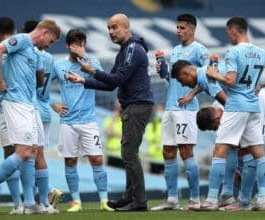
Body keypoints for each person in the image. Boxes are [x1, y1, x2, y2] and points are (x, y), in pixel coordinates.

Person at [68, 13, 154, 211]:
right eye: (108, 28)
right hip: (133, 105)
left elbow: (118, 79)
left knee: (129, 153)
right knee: (128, 153)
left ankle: (139, 201)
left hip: (137, 105)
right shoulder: (125, 50)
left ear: (126, 27)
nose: (111, 32)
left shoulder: (132, 48)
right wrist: (83, 81)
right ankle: (129, 196)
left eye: (115, 27)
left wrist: (91, 71)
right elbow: (109, 85)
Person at [0, 19, 61, 216]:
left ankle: (30, 203)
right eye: (52, 40)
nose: (50, 45)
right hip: (15, 103)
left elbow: (37, 80)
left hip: (28, 104)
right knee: (23, 152)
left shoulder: (32, 50)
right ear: (44, 32)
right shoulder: (22, 40)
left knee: (31, 152)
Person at [197, 16, 265, 211]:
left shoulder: (233, 52)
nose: (227, 36)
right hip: (254, 108)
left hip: (236, 106)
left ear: (233, 31)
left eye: (228, 32)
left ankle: (212, 199)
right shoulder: (262, 53)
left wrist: (214, 75)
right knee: (259, 154)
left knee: (220, 150)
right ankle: (263, 199)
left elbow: (230, 80)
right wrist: (262, 84)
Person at [151, 13, 209, 211]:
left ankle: (194, 200)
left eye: (183, 28)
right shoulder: (175, 51)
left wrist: (192, 94)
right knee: (168, 152)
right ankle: (172, 199)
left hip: (186, 109)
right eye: (177, 28)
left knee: (186, 153)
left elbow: (209, 76)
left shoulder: (200, 50)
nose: (179, 31)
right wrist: (163, 73)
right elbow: (173, 79)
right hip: (170, 107)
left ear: (192, 29)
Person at [51, 28, 113, 212]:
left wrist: (88, 65)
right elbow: (42, 87)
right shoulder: (58, 65)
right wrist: (53, 103)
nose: (78, 47)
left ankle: (104, 200)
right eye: (75, 44)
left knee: (96, 159)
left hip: (88, 121)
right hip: (68, 122)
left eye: (82, 44)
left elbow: (107, 84)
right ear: (68, 45)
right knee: (70, 161)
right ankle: (76, 202)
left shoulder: (92, 62)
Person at [21, 19, 60, 214]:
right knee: (37, 154)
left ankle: (38, 199)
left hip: (30, 108)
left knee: (27, 154)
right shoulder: (50, 59)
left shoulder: (28, 53)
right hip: (44, 109)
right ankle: (42, 198)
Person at [0, 16, 25, 215]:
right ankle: (34, 201)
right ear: (14, 32)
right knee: (29, 153)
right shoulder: (25, 50)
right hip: (27, 108)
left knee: (10, 153)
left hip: (6, 109)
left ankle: (17, 204)